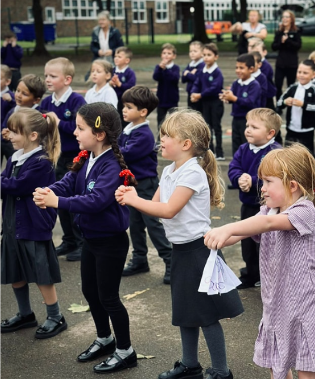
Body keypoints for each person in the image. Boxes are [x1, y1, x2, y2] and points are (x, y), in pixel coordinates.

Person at [204, 144, 315, 379]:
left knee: (307, 370)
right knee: (278, 367)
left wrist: (227, 227)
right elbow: (243, 232)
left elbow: (267, 225)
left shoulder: (304, 210)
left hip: (305, 307)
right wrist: (218, 236)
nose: (261, 188)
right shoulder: (268, 211)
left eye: (268, 182)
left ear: (292, 185)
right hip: (276, 306)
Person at [115, 109, 244, 379]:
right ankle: (190, 364)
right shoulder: (170, 170)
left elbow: (169, 210)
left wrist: (133, 200)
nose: (160, 140)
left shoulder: (193, 173)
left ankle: (222, 372)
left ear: (186, 144)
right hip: (181, 251)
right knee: (185, 312)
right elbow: (156, 205)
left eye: (166, 136)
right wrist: (135, 195)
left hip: (199, 250)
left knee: (207, 315)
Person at [33, 102, 138, 374]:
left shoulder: (112, 165)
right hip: (91, 239)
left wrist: (58, 202)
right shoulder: (87, 156)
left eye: (81, 128)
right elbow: (68, 182)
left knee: (109, 297)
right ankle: (105, 338)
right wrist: (48, 191)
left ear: (100, 134)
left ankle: (126, 351)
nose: (75, 133)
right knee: (90, 291)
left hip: (110, 243)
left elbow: (96, 201)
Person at [1, 109, 66, 339]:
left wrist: (2, 180)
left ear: (33, 136)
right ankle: (25, 313)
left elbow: (17, 186)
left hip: (33, 226)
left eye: (15, 132)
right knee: (15, 270)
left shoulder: (41, 162)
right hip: (12, 226)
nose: (9, 135)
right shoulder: (17, 156)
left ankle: (55, 316)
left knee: (41, 274)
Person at [118, 86, 172, 282]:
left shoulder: (144, 134)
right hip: (132, 186)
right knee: (134, 224)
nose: (124, 110)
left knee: (153, 224)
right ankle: (140, 259)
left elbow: (125, 154)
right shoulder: (128, 130)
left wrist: (110, 147)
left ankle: (170, 261)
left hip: (146, 185)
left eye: (129, 107)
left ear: (142, 112)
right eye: (124, 106)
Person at [228, 108, 282, 289]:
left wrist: (252, 180)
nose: (248, 130)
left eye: (254, 127)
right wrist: (239, 179)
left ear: (270, 133)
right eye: (247, 125)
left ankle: (268, 277)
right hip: (249, 205)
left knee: (266, 244)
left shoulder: (275, 152)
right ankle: (251, 273)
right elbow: (233, 168)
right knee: (247, 242)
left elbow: (276, 177)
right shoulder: (244, 149)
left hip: (269, 207)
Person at [40, 57, 87, 261]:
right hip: (54, 157)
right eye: (46, 76)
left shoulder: (76, 101)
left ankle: (80, 241)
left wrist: (58, 122)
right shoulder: (46, 102)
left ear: (67, 79)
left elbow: (80, 129)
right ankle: (68, 239)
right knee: (57, 199)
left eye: (52, 76)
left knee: (73, 200)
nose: (47, 80)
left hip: (72, 157)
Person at [277, 59, 315, 155]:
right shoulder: (292, 87)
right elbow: (279, 102)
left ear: (313, 75)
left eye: (305, 73)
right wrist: (285, 102)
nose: (301, 75)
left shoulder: (314, 89)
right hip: (291, 128)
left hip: (307, 130)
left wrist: (303, 105)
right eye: (299, 72)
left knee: (306, 155)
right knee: (289, 154)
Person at [220, 53, 262, 155]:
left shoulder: (254, 85)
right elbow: (233, 97)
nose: (238, 70)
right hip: (236, 119)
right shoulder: (236, 83)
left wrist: (233, 98)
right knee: (236, 143)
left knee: (247, 144)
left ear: (251, 69)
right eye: (237, 67)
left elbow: (249, 102)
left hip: (249, 121)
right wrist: (226, 97)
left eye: (241, 68)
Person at [191, 43, 225, 161]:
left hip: (215, 103)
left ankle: (219, 151)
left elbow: (215, 88)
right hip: (205, 103)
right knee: (207, 127)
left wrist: (200, 95)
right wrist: (193, 93)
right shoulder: (202, 70)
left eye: (209, 55)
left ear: (216, 57)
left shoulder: (217, 72)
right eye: (204, 55)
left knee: (216, 127)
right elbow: (197, 83)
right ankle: (210, 151)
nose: (206, 57)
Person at [1, 74, 47, 163]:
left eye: (24, 94)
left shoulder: (39, 115)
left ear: (36, 100)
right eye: (17, 91)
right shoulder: (12, 111)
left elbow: (41, 138)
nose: (18, 95)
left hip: (29, 157)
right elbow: (4, 127)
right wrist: (4, 134)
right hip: (12, 154)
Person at [272, 10, 302, 102]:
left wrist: (288, 40)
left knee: (290, 85)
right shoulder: (279, 33)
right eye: (283, 17)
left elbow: (298, 46)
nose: (284, 19)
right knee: (278, 85)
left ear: (291, 19)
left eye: (287, 17)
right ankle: (279, 103)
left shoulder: (296, 32)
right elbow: (274, 47)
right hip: (280, 63)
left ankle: (290, 105)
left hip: (291, 64)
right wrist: (281, 42)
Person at [153, 43, 180, 128]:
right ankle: (160, 139)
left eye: (169, 53)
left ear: (174, 56)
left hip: (172, 99)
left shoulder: (175, 68)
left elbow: (174, 79)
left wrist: (166, 69)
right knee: (160, 121)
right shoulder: (158, 67)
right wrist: (160, 69)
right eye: (164, 53)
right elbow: (155, 77)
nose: (166, 55)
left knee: (172, 122)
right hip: (161, 99)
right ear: (161, 55)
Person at [248, 38, 277, 111]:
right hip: (260, 93)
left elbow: (260, 78)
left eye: (258, 52)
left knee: (268, 112)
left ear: (264, 52)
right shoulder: (254, 64)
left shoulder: (265, 65)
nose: (256, 55)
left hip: (268, 94)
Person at [110, 46, 137, 128]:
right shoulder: (112, 71)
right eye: (115, 56)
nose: (116, 58)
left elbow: (131, 86)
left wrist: (120, 84)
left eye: (119, 57)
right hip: (112, 101)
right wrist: (110, 83)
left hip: (124, 102)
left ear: (127, 60)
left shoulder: (130, 72)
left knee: (124, 121)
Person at [182, 41, 205, 113]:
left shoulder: (202, 65)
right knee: (190, 112)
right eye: (190, 51)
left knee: (198, 112)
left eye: (195, 51)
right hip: (190, 92)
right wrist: (190, 74)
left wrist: (188, 74)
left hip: (198, 94)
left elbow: (197, 79)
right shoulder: (190, 64)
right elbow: (183, 78)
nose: (192, 53)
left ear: (202, 53)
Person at [1, 65, 16, 165]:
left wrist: (11, 101)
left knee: (12, 163)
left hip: (7, 139)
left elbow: (18, 108)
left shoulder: (11, 96)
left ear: (7, 82)